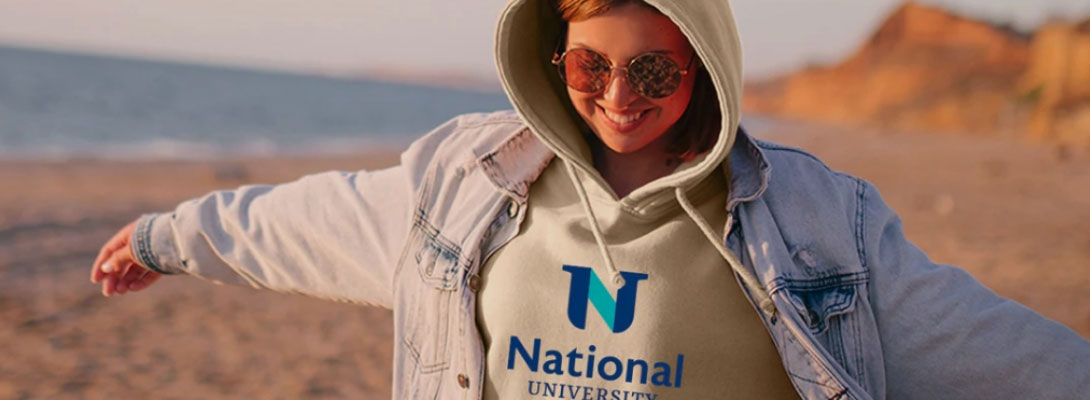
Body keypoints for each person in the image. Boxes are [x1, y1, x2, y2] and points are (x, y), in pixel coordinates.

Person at [89, 0, 1090, 398]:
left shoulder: (819, 219)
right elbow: (312, 220)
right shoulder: (462, 184)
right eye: (589, 65)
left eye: (655, 72)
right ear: (548, 57)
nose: (622, 98)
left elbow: (996, 348)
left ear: (702, 69)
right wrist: (173, 233)